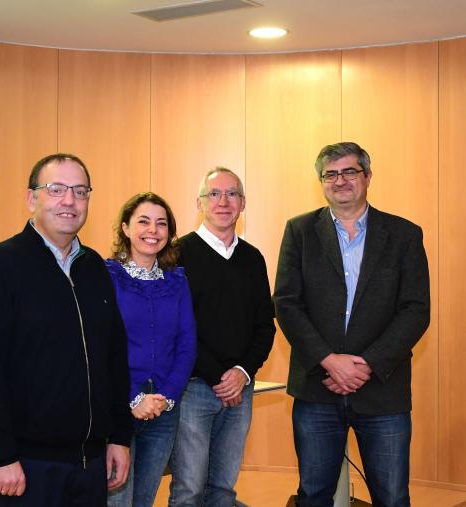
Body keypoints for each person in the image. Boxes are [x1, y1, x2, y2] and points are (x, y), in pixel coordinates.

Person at [0, 153, 133, 505]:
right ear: (31, 199)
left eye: (80, 191)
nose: (69, 201)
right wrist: (1, 455)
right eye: (56, 189)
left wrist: (119, 435)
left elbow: (114, 360)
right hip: (25, 467)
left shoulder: (95, 269)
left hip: (90, 466)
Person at [274, 142, 430, 507]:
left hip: (382, 390)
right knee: (313, 495)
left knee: (392, 497)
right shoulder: (299, 231)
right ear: (321, 182)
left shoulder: (405, 234)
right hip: (317, 389)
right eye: (330, 174)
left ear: (367, 177)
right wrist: (330, 360)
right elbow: (286, 303)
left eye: (349, 172)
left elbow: (415, 310)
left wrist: (366, 364)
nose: (340, 181)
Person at [169, 167, 276, 507]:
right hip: (194, 388)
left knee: (223, 490)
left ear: (243, 203)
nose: (223, 202)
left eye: (232, 194)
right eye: (214, 194)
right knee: (188, 490)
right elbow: (177, 329)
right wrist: (219, 376)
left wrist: (241, 373)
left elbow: (265, 325)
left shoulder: (253, 258)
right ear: (199, 203)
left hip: (240, 390)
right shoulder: (177, 255)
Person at [105, 193, 196, 507]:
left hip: (163, 410)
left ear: (170, 234)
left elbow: (187, 344)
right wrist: (133, 397)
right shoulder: (107, 277)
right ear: (126, 228)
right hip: (117, 408)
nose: (152, 230)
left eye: (161, 224)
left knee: (143, 501)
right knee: (117, 500)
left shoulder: (177, 280)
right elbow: (100, 346)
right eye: (143, 221)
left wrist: (167, 396)